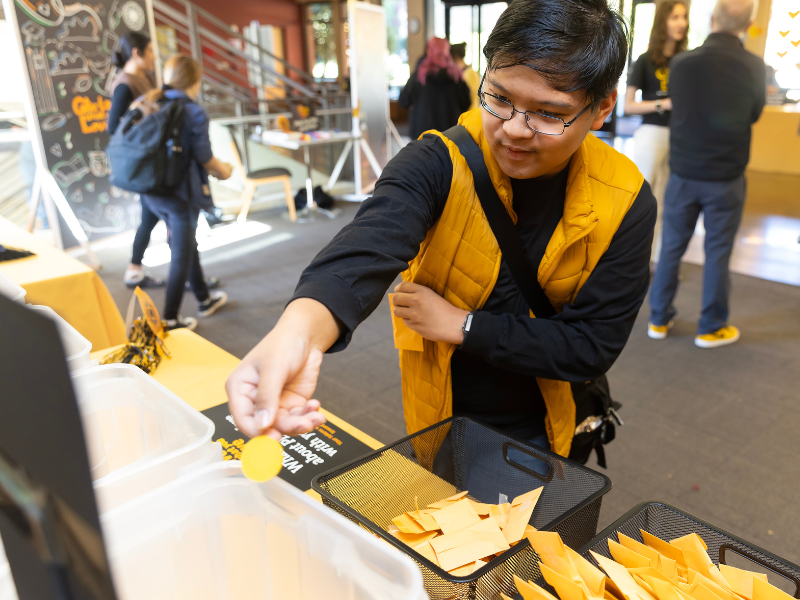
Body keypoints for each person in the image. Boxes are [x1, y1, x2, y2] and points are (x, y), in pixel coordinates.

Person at [225, 0, 656, 450]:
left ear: (603, 107)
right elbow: (364, 248)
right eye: (500, 98)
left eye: (548, 114)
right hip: (442, 412)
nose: (513, 130)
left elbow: (590, 347)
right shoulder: (439, 161)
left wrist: (463, 326)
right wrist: (297, 334)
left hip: (552, 420)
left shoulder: (624, 198)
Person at [648, 0, 765, 348]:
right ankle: (711, 326)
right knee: (718, 251)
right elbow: (755, 113)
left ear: (713, 19)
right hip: (726, 177)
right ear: (747, 25)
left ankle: (658, 318)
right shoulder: (755, 67)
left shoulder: (681, 63)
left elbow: (678, 106)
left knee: (671, 246)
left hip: (684, 172)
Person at [138, 55, 233, 331]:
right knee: (180, 252)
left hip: (151, 189)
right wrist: (224, 170)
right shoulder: (193, 112)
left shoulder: (151, 102)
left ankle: (204, 298)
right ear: (195, 81)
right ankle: (169, 319)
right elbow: (205, 157)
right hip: (180, 193)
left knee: (186, 244)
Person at [625, 1, 688, 264]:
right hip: (651, 134)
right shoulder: (644, 60)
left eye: (684, 17)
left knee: (669, 202)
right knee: (645, 200)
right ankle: (632, 259)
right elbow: (628, 105)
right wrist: (664, 103)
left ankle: (658, 263)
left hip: (680, 138)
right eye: (675, 17)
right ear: (663, 21)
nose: (681, 23)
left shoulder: (687, 62)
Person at [108, 33, 164, 289]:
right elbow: (114, 127)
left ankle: (135, 269)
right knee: (162, 217)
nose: (154, 56)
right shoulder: (124, 84)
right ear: (136, 53)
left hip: (155, 160)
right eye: (151, 51)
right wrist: (141, 115)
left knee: (152, 217)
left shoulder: (144, 78)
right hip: (145, 164)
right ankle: (135, 269)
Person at [399, 38, 472, 140]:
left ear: (429, 50)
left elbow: (403, 101)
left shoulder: (418, 76)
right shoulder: (457, 76)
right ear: (447, 51)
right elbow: (466, 103)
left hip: (422, 138)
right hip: (450, 137)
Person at [450, 42, 481, 110]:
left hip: (469, 114)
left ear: (455, 55)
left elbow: (466, 98)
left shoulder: (468, 73)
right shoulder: (468, 71)